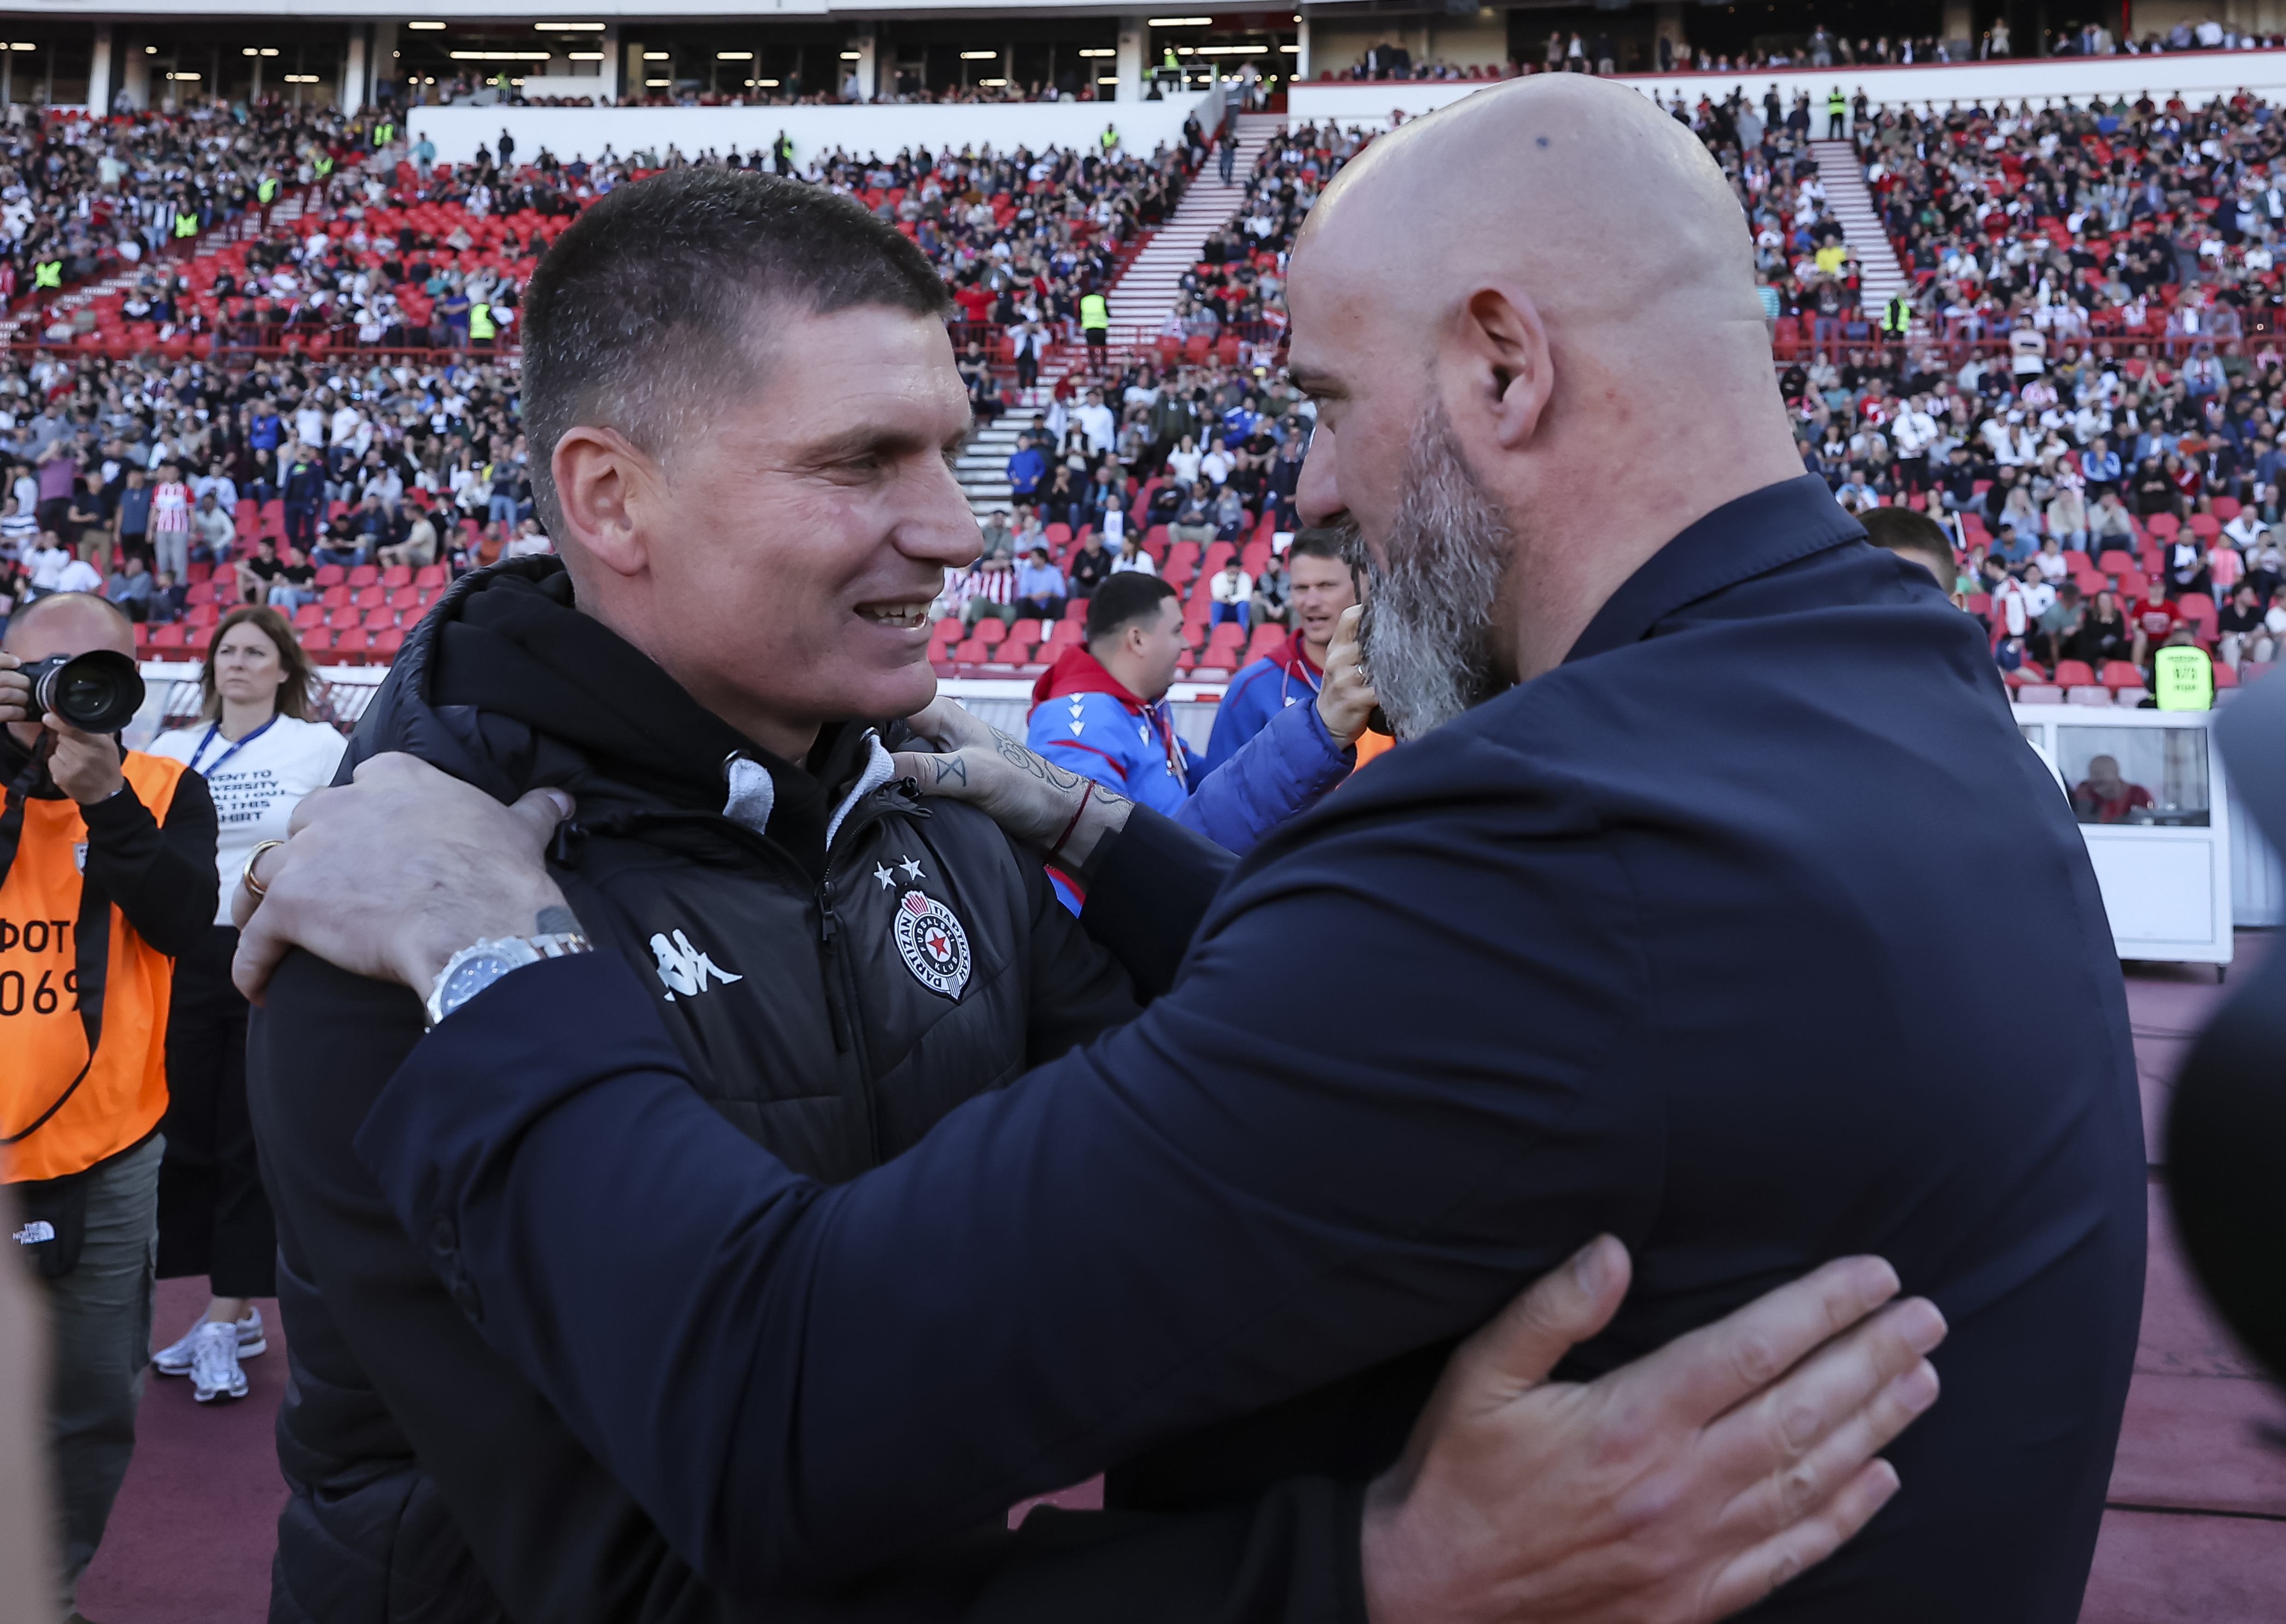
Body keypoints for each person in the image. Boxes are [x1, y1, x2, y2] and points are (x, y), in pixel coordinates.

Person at [242, 78, 2139, 1622]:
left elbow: (782, 1392)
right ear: (609, 495)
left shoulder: (1545, 842)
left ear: (1503, 368)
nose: (956, 528)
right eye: (861, 462)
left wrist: (1384, 1573)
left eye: (1322, 403)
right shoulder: (1903, 703)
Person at [0, 593, 218, 1619]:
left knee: (89, 1404)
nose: (60, 700)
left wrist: (107, 803)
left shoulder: (166, 786)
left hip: (106, 1147)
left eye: (87, 674)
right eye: (38, 675)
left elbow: (180, 923)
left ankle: (45, 1596)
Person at [143, 608, 345, 1404]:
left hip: (266, 950)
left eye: (255, 651)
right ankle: (223, 1306)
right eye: (226, 649)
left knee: (246, 1133)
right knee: (186, 1133)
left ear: (283, 668)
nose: (237, 661)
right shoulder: (168, 750)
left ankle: (227, 1318)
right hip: (175, 954)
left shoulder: (317, 746)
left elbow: (335, 843)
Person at [1027, 570, 1357, 885]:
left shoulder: (1144, 712)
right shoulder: (1079, 726)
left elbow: (1209, 782)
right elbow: (1099, 870)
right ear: (1138, 640)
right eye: (1176, 631)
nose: (1186, 645)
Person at [1204, 529, 1360, 770]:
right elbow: (1218, 788)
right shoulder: (1251, 688)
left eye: (1327, 586)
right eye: (1301, 588)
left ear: (1361, 587)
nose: (1311, 602)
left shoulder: (1395, 681)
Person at [2069, 753, 2155, 824]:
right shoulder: (2086, 791)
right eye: (2092, 775)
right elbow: (2083, 823)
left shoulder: (2138, 795)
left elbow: (2150, 823)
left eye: (2099, 774)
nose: (2094, 779)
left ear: (2116, 774)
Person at [1013, 543, 1066, 620]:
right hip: (1033, 604)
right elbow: (1022, 593)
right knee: (1021, 603)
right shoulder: (1026, 572)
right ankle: (1023, 626)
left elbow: (1061, 593)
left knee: (1060, 602)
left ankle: (1059, 626)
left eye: (1033, 557)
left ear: (1042, 559)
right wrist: (1033, 596)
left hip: (1049, 603)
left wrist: (1048, 594)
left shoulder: (1055, 572)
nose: (1031, 560)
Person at [1206, 554, 1252, 629]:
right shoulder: (1217, 578)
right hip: (1224, 608)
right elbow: (1217, 596)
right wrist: (1230, 584)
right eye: (1235, 567)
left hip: (1237, 607)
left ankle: (1242, 633)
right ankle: (1215, 631)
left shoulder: (1246, 577)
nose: (1237, 569)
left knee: (1244, 604)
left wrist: (1231, 600)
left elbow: (1246, 596)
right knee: (1215, 604)